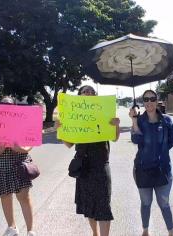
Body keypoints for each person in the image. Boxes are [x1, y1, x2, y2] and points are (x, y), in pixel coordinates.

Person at [59, 85, 120, 236]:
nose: (88, 93)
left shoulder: (104, 113)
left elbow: (114, 137)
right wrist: (60, 131)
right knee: (89, 204)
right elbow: (69, 144)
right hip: (83, 167)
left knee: (103, 204)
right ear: (79, 96)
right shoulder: (73, 116)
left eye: (92, 91)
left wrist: (116, 126)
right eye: (85, 91)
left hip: (101, 165)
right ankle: (95, 233)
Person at [129, 90, 173, 236]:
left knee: (164, 204)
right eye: (146, 99)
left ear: (157, 100)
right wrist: (134, 121)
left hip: (163, 170)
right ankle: (145, 231)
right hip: (143, 170)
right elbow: (136, 140)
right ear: (143, 102)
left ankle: (171, 233)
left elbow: (171, 142)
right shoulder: (140, 120)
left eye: (152, 98)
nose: (149, 102)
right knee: (146, 203)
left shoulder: (166, 121)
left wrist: (160, 154)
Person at [0, 96, 35, 236]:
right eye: (3, 104)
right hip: (0, 165)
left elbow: (31, 142)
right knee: (5, 196)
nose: (6, 106)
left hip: (19, 163)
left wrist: (22, 148)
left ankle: (31, 231)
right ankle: (11, 228)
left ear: (14, 106)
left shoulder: (22, 121)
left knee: (24, 197)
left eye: (9, 104)